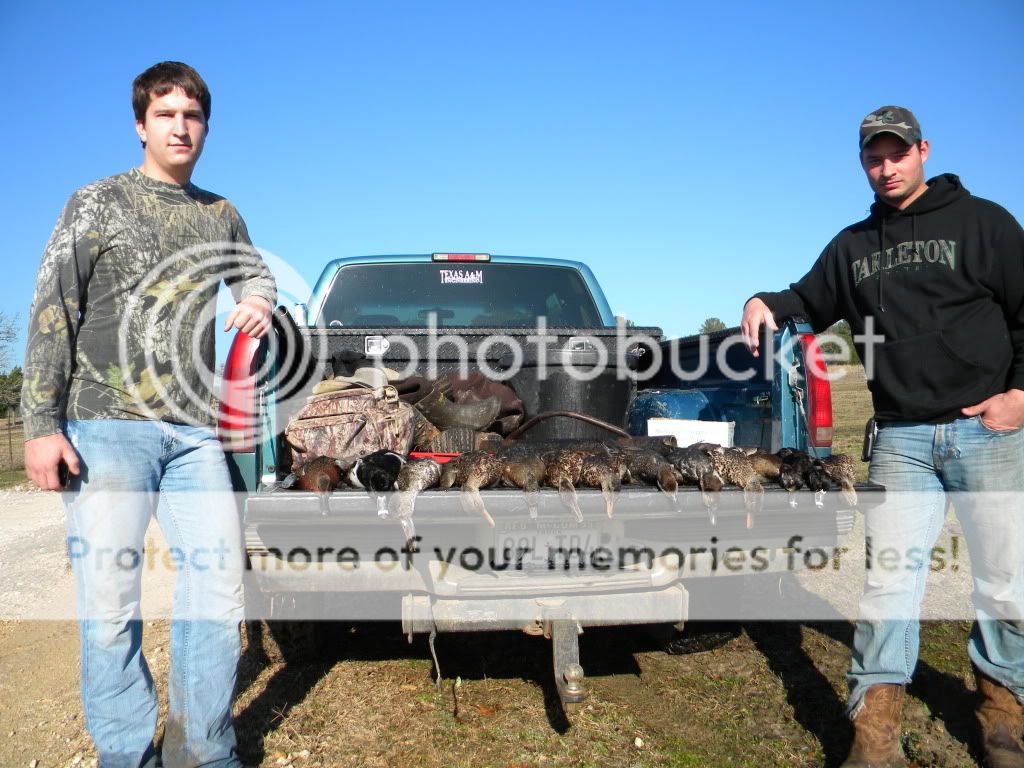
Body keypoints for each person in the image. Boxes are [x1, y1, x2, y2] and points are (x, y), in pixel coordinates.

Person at [741, 106, 1024, 768]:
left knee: (1004, 580)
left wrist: (1019, 397)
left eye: (898, 153)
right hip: (900, 439)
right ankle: (875, 736)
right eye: (874, 156)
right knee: (890, 584)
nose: (886, 166)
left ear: (923, 150)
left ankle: (1002, 715)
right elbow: (806, 299)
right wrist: (765, 301)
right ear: (862, 161)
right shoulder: (853, 246)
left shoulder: (985, 224)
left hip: (985, 432)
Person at [21, 62, 277, 767]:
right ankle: (127, 754)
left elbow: (252, 270)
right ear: (141, 125)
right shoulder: (96, 202)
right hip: (106, 428)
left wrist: (256, 297)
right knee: (109, 606)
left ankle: (204, 748)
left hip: (195, 436)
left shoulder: (219, 213)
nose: (181, 126)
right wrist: (41, 424)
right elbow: (53, 307)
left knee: (220, 589)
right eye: (166, 114)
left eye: (192, 115)